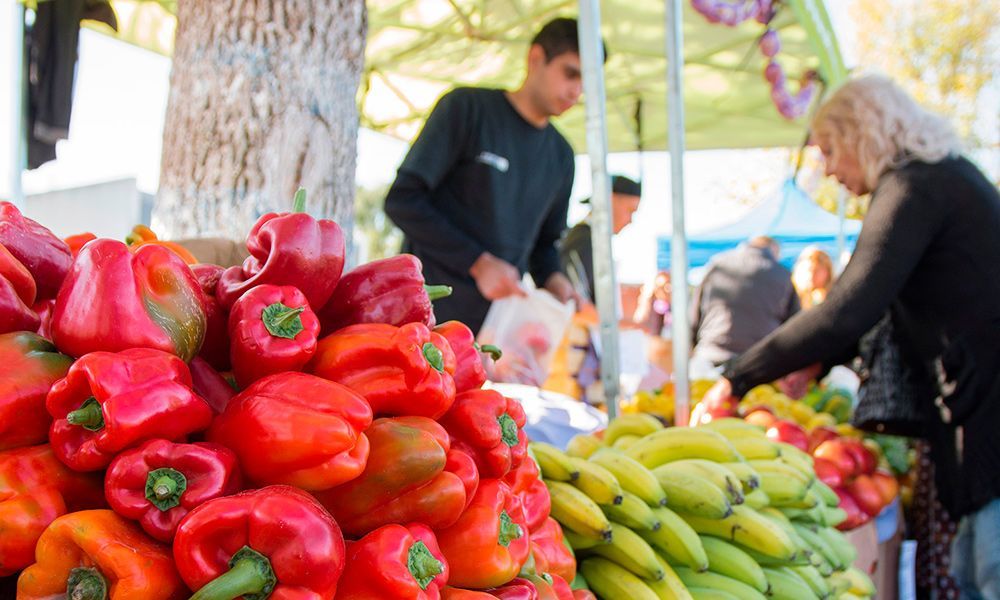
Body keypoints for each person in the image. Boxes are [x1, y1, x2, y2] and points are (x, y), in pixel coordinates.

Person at [700, 75, 1000, 598]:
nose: (830, 171)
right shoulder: (942, 178)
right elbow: (876, 306)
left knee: (986, 572)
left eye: (832, 150)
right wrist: (814, 361)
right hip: (978, 410)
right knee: (975, 570)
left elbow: (849, 307)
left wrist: (739, 376)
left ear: (865, 133)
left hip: (990, 417)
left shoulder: (915, 185)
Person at [384, 18, 595, 334]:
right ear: (536, 58)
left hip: (494, 339)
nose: (576, 91)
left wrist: (555, 280)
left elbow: (544, 247)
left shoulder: (563, 155)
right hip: (420, 320)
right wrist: (478, 262)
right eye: (571, 73)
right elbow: (402, 200)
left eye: (586, 81)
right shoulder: (467, 108)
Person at [689, 236, 800, 365]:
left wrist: (691, 349)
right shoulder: (783, 275)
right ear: (773, 250)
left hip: (711, 354)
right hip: (758, 361)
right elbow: (793, 325)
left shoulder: (717, 265)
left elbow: (694, 314)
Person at [558, 175, 642, 302]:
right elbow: (574, 305)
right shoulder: (583, 240)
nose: (630, 220)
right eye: (630, 211)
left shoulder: (592, 240)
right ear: (610, 200)